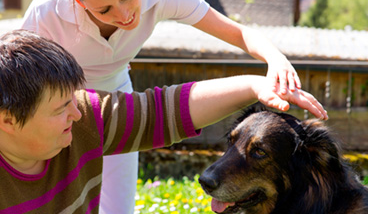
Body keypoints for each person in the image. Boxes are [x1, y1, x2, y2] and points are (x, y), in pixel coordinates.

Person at [21, 0, 303, 213]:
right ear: (78, 1)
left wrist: (275, 58)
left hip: (119, 104)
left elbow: (238, 33)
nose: (124, 14)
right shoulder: (47, 10)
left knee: (119, 207)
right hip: (60, 108)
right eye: (104, 10)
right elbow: (17, 80)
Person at [0, 29, 327, 213]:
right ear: (8, 120)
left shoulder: (84, 118)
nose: (76, 112)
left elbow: (160, 111)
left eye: (74, 98)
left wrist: (256, 86)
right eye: (60, 109)